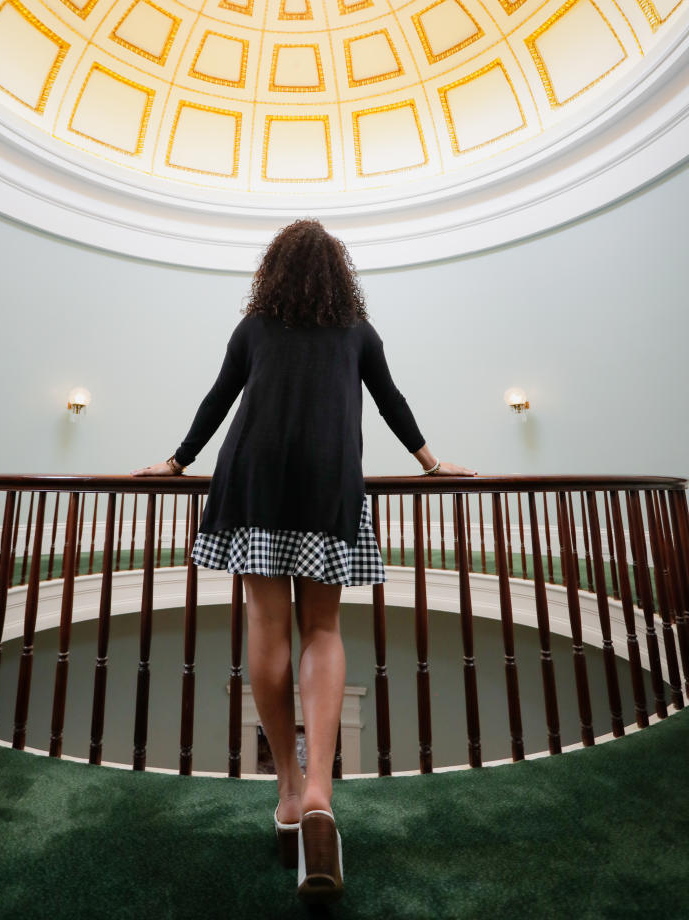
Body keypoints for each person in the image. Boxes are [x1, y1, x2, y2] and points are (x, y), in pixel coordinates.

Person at [133, 218, 475, 902]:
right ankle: (320, 785)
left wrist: (176, 462)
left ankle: (288, 787)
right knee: (321, 628)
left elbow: (218, 399)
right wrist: (431, 464)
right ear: (338, 273)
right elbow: (390, 403)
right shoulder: (358, 333)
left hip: (256, 476)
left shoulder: (255, 326)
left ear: (275, 270)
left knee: (267, 625)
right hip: (328, 481)